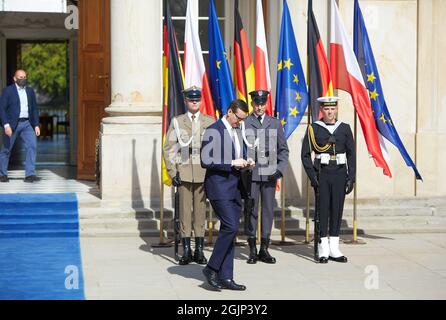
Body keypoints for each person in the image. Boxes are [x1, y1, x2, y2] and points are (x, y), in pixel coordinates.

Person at [200, 99, 253, 291]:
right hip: (219, 187)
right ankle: (211, 268)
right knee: (230, 226)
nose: (240, 122)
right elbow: (205, 160)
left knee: (230, 231)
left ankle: (226, 276)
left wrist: (246, 161)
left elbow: (238, 154)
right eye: (238, 118)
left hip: (236, 187)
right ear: (229, 112)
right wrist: (231, 163)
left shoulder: (237, 131)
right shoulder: (213, 130)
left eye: (243, 119)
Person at [163, 86, 215, 265]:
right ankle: (186, 249)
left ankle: (199, 250)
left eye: (197, 99)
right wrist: (173, 172)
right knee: (185, 212)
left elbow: (215, 148)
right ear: (186, 101)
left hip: (203, 170)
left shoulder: (209, 121)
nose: (194, 102)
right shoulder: (177, 122)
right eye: (191, 99)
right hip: (184, 170)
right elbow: (169, 148)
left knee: (200, 212)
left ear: (201, 101)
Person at [301, 96, 356, 263]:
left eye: (332, 109)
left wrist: (351, 177)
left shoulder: (344, 128)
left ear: (337, 109)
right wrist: (313, 176)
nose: (330, 112)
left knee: (337, 209)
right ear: (322, 110)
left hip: (339, 172)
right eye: (327, 109)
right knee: (323, 210)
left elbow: (351, 155)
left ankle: (334, 247)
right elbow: (305, 155)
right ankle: (323, 247)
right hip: (322, 173)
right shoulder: (314, 129)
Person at [243, 90, 289, 264]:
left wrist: (279, 169)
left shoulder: (275, 123)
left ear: (266, 104)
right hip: (251, 173)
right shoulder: (245, 123)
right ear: (252, 104)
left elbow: (283, 150)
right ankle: (252, 248)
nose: (259, 106)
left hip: (270, 172)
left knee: (268, 210)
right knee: (251, 210)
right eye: (256, 103)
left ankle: (264, 248)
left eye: (262, 103)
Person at [0, 69, 40, 183]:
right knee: (6, 150)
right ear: (14, 78)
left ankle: (30, 174)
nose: (23, 79)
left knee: (32, 146)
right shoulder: (8, 91)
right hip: (12, 124)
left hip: (27, 124)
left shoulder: (30, 91)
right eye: (20, 77)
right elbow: (2, 109)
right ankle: (2, 174)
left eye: (24, 77)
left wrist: (36, 125)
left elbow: (34, 109)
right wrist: (6, 125)